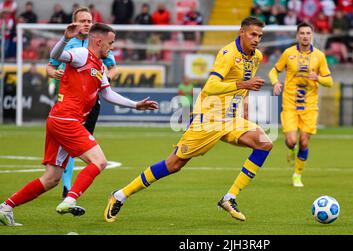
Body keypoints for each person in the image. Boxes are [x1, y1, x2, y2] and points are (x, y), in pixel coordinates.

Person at [104, 16, 272, 223]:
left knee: (264, 143)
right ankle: (120, 195)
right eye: (253, 34)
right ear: (242, 32)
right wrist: (242, 85)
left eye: (260, 36)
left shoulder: (256, 57)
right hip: (208, 117)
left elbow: (245, 87)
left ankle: (229, 197)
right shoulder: (228, 54)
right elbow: (210, 86)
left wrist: (244, 109)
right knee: (173, 164)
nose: (256, 39)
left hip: (230, 118)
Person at [0, 22, 158, 227]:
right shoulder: (82, 55)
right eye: (110, 43)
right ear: (98, 41)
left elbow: (107, 94)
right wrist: (65, 39)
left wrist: (135, 105)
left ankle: (5, 208)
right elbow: (57, 56)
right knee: (99, 161)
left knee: (51, 178)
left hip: (60, 120)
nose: (112, 48)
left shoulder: (100, 66)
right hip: (67, 119)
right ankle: (70, 199)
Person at [47, 7, 119, 199]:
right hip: (69, 99)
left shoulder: (99, 43)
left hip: (90, 102)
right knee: (78, 146)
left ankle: (67, 189)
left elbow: (111, 69)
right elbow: (51, 63)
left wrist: (101, 82)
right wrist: (52, 73)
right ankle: (68, 187)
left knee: (77, 146)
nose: (87, 24)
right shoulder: (71, 45)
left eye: (89, 21)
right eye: (83, 21)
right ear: (74, 23)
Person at [268, 22, 333, 187]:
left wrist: (317, 78)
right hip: (289, 104)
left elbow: (330, 81)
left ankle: (297, 175)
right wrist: (275, 82)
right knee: (291, 140)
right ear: (297, 35)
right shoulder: (288, 53)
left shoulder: (319, 56)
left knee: (304, 142)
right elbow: (273, 71)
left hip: (309, 107)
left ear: (312, 35)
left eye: (308, 33)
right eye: (302, 33)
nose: (305, 36)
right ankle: (290, 149)